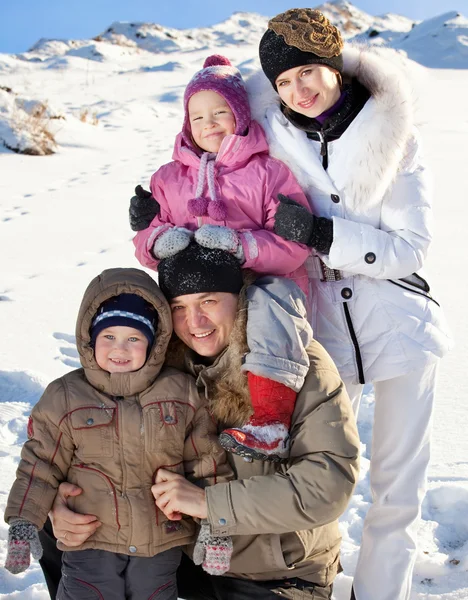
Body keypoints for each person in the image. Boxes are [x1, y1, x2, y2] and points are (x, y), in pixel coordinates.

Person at [247, 8, 453, 600]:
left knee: (396, 484)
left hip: (401, 328)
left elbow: (409, 248)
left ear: (333, 64)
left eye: (307, 71)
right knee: (318, 474)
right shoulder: (275, 140)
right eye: (284, 81)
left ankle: (381, 592)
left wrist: (322, 234)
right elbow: (225, 172)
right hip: (324, 334)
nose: (298, 89)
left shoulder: (395, 135)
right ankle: (312, 584)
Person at [42, 242, 360, 600]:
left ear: (238, 297)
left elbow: (325, 486)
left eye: (208, 301)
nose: (195, 323)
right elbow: (76, 436)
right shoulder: (156, 361)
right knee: (51, 524)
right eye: (179, 308)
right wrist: (58, 502)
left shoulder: (292, 363)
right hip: (179, 551)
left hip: (272, 572)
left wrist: (208, 503)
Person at [4, 267, 232, 599]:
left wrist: (215, 525)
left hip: (160, 542)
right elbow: (40, 463)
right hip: (89, 540)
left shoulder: (181, 393)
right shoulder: (65, 396)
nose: (120, 349)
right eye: (109, 336)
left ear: (154, 343)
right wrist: (24, 520)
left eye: (134, 338)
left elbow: (205, 461)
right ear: (90, 338)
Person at [131, 53, 314, 462]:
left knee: (269, 303)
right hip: (193, 300)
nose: (208, 123)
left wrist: (240, 245)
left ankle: (270, 420)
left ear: (241, 115)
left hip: (256, 294)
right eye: (197, 117)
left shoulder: (268, 173)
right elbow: (144, 239)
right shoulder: (168, 178)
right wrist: (160, 240)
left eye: (220, 112)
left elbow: (294, 245)